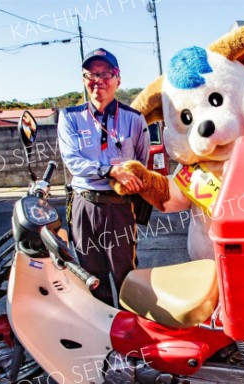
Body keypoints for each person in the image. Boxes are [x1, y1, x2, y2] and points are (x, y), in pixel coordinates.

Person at [58, 48, 150, 305]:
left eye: (106, 73)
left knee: (126, 275)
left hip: (119, 207)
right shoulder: (70, 117)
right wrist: (110, 170)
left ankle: (132, 333)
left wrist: (127, 176)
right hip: (83, 205)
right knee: (91, 276)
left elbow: (141, 163)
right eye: (91, 74)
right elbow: (73, 161)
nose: (98, 80)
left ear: (118, 79)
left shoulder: (134, 119)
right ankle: (101, 334)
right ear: (84, 79)